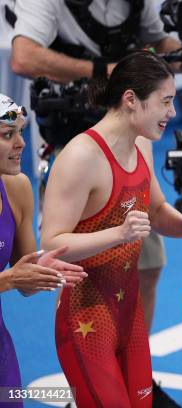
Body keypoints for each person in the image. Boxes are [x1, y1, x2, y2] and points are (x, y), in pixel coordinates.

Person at [10, 1, 182, 401]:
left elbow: (155, 212)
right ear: (132, 99)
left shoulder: (142, 144)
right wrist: (118, 233)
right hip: (86, 319)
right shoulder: (80, 158)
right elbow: (52, 243)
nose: (172, 113)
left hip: (129, 315)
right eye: (166, 101)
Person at [0, 94, 86, 407]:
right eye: (8, 135)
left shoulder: (17, 188)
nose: (21, 143)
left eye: (21, 131)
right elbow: (10, 278)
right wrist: (8, 279)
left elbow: (23, 283)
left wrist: (41, 269)